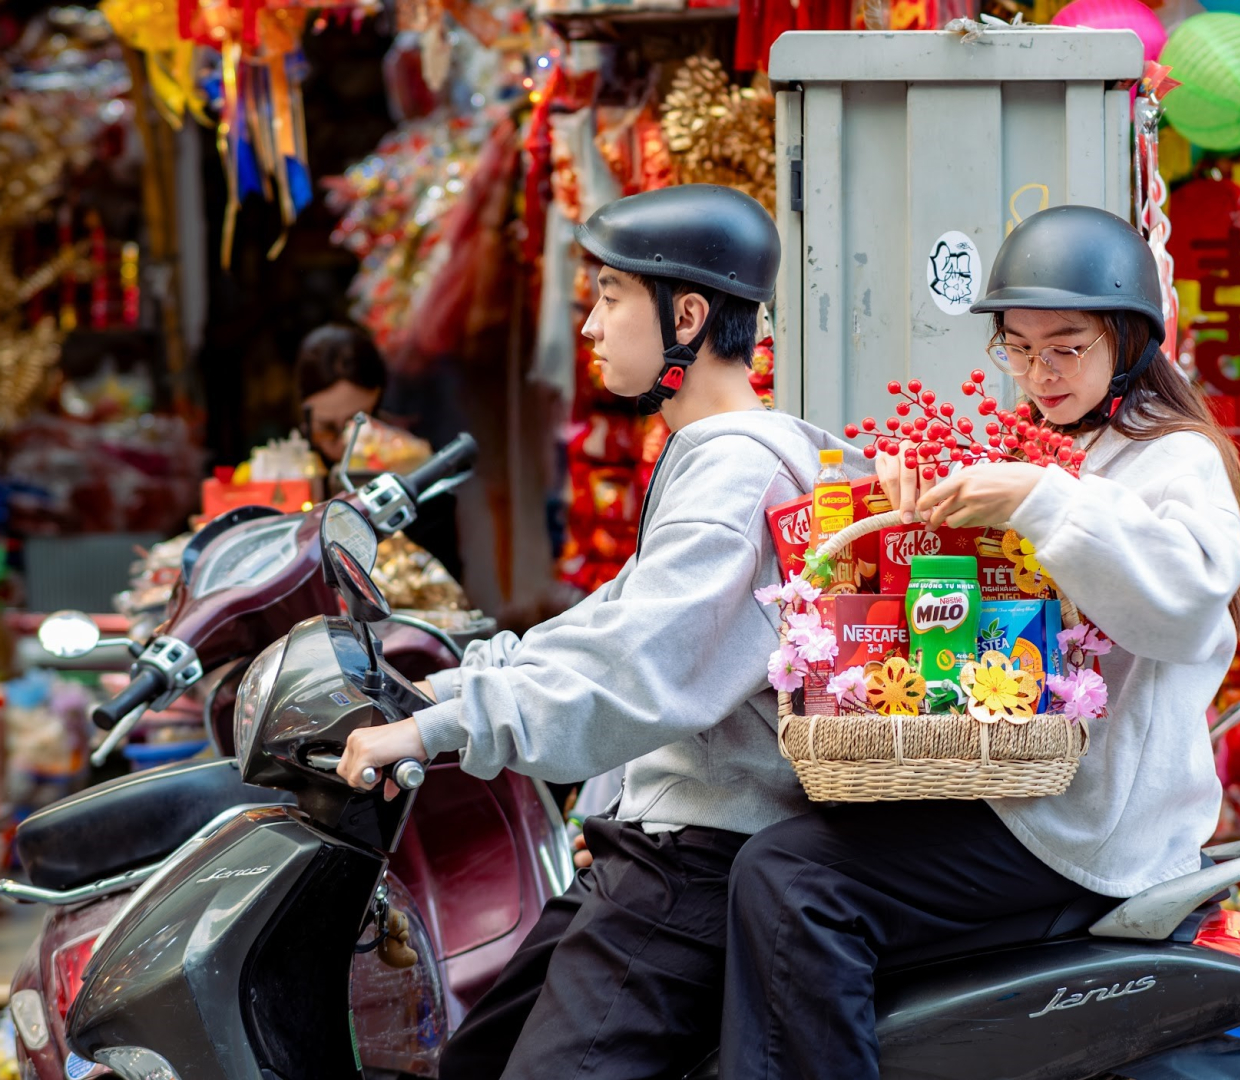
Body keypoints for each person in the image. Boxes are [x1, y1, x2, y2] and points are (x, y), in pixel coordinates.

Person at [333, 184, 858, 1080]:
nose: (589, 326)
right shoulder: (712, 458)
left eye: (611, 295)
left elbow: (637, 667)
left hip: (693, 862)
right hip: (649, 844)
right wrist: (452, 683)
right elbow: (609, 620)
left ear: (687, 315)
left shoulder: (733, 479)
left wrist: (437, 727)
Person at [716, 205, 1240, 1080]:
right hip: (1013, 787)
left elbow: (1189, 605)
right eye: (1018, 345)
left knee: (792, 884)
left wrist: (1036, 499)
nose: (1038, 371)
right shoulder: (1050, 444)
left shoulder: (1171, 459)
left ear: (1129, 340)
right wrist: (910, 500)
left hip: (1086, 825)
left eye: (1066, 346)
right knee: (783, 848)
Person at [295, 322, 466, 580]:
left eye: (357, 423)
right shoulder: (290, 469)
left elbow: (443, 569)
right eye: (327, 428)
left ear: (377, 399)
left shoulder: (409, 460)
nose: (344, 443)